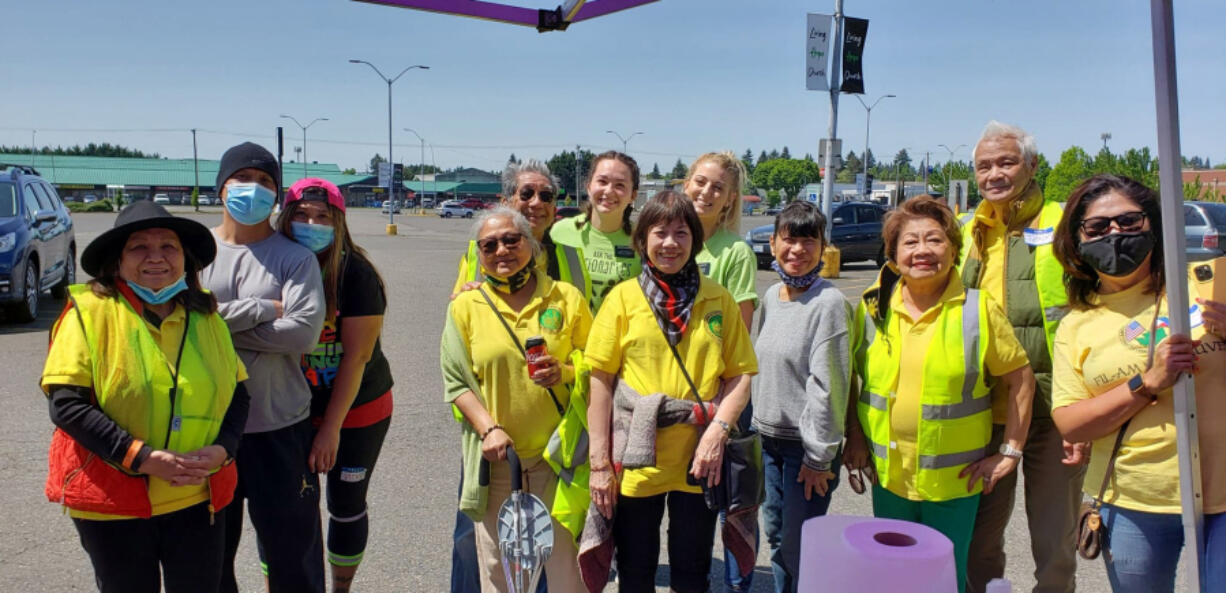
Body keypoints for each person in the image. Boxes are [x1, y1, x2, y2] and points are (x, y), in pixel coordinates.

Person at [41, 201, 250, 593]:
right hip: (115, 501)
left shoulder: (207, 317)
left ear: (185, 260)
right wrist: (142, 458)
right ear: (116, 261)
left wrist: (225, 447)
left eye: (168, 247)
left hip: (197, 495)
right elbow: (66, 404)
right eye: (139, 247)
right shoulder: (90, 313)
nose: (156, 258)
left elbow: (238, 395)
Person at [847, 196, 1035, 593]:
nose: (922, 251)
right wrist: (856, 439)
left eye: (934, 240)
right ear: (894, 255)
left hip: (954, 483)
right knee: (893, 575)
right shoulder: (872, 308)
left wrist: (1010, 450)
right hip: (889, 479)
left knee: (942, 578)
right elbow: (854, 379)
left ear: (953, 248)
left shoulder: (977, 310)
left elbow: (1020, 379)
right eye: (910, 242)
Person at [1049, 174, 1226, 592]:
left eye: (1130, 222)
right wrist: (1146, 383)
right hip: (1133, 501)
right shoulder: (1076, 325)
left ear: (1155, 225)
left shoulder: (1209, 283)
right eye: (1098, 227)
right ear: (1077, 240)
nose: (1115, 233)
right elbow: (1072, 424)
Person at [585, 191, 759, 593]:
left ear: (695, 241)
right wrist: (598, 461)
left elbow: (740, 376)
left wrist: (717, 433)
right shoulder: (623, 299)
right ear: (643, 239)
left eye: (681, 233)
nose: (670, 243)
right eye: (660, 232)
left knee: (692, 568)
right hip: (636, 454)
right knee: (635, 567)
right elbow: (600, 380)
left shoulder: (718, 298)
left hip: (700, 457)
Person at [449, 159, 589, 593]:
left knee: (563, 566)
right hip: (495, 453)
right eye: (491, 246)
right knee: (492, 560)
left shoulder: (568, 276)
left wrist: (565, 371)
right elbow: (457, 374)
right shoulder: (471, 284)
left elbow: (597, 362)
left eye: (546, 195)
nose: (501, 251)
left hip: (558, 452)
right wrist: (487, 427)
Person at [959, 121, 1085, 593]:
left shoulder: (1065, 223)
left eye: (1006, 162)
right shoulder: (965, 231)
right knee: (979, 542)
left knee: (1055, 543)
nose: (994, 174)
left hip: (1056, 411)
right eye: (984, 166)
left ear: (1032, 166)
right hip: (987, 413)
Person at [199, 142, 328, 593]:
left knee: (294, 560)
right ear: (221, 188)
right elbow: (180, 327)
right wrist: (261, 308)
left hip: (280, 428)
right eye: (243, 179)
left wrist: (215, 324)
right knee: (210, 563)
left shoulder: (295, 258)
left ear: (276, 195)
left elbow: (302, 335)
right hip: (206, 433)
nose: (253, 189)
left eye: (266, 182)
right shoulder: (193, 254)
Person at [277, 178, 393, 593]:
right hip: (289, 409)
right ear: (286, 218)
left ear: (339, 222)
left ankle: (340, 589)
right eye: (302, 215)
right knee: (286, 508)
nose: (312, 222)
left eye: (323, 217)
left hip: (357, 407)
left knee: (345, 505)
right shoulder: (273, 265)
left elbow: (356, 357)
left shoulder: (356, 273)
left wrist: (330, 429)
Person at [752, 201, 851, 593]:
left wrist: (818, 457)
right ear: (773, 243)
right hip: (768, 442)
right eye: (789, 239)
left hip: (804, 450)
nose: (797, 250)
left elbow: (830, 386)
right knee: (776, 536)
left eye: (808, 241)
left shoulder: (829, 304)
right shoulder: (772, 296)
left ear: (823, 247)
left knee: (801, 546)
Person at [682, 150, 761, 591]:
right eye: (700, 181)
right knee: (689, 507)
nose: (706, 192)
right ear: (685, 183)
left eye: (718, 188)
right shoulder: (665, 236)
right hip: (674, 396)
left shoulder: (733, 252)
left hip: (720, 396)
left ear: (731, 200)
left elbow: (740, 336)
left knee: (732, 509)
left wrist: (722, 409)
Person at [452, 159, 591, 301]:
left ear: (554, 209)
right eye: (527, 193)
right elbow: (458, 315)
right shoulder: (479, 254)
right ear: (505, 203)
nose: (537, 203)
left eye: (546, 196)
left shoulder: (572, 260)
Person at [550, 151, 642, 312]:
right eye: (602, 181)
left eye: (620, 185)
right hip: (572, 334)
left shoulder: (643, 240)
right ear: (589, 186)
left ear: (633, 195)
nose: (609, 191)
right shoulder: (560, 233)